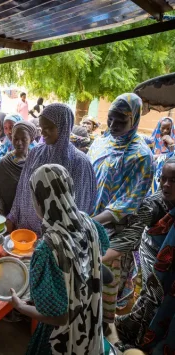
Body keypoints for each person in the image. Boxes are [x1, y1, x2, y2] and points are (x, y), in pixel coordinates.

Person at [10, 164, 107, 355]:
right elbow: (89, 263)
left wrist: (20, 307)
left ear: (39, 200)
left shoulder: (48, 248)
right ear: (69, 190)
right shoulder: (89, 222)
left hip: (65, 340)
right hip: (90, 323)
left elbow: (59, 317)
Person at [88, 93, 153, 328]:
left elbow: (128, 203)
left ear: (134, 120)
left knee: (103, 289)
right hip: (88, 224)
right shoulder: (101, 142)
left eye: (121, 122)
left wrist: (92, 221)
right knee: (82, 286)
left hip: (112, 237)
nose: (113, 126)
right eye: (110, 119)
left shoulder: (142, 156)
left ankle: (101, 334)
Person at [7, 103, 97, 236]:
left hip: (58, 240)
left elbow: (80, 206)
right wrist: (13, 216)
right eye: (41, 127)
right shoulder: (36, 152)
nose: (42, 132)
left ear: (63, 127)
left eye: (48, 128)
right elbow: (22, 187)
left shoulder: (79, 162)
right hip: (26, 231)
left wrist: (64, 239)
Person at [115, 157, 175, 352]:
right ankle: (135, 337)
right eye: (162, 179)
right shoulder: (155, 203)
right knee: (144, 297)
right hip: (145, 261)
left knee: (155, 306)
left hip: (165, 276)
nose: (166, 184)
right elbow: (135, 231)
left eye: (173, 180)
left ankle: (141, 341)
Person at [0, 121, 37, 216]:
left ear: (31, 139)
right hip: (10, 215)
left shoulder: (36, 161)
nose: (19, 143)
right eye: (15, 138)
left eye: (24, 139)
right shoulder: (5, 163)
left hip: (31, 215)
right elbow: (0, 195)